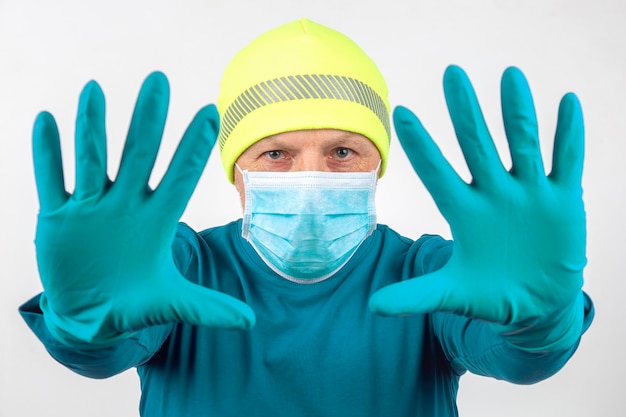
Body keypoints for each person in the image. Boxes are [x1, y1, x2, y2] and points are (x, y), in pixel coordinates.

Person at [19, 18, 594, 416]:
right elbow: (103, 353)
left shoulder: (429, 275)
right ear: (236, 169)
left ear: (379, 165)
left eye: (343, 152)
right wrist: (83, 323)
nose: (310, 178)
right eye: (276, 154)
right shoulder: (181, 270)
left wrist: (541, 322)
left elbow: (516, 359)